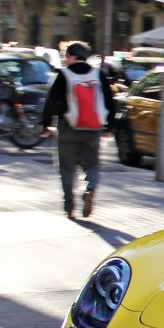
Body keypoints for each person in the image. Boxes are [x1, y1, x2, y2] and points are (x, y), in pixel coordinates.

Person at [40, 41, 116, 220]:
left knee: (67, 168)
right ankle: (90, 188)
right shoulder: (98, 74)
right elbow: (110, 102)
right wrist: (110, 127)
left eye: (66, 56)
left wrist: (46, 125)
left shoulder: (63, 75)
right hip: (93, 128)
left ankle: (70, 207)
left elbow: (50, 102)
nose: (65, 60)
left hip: (68, 127)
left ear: (73, 57)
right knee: (92, 164)